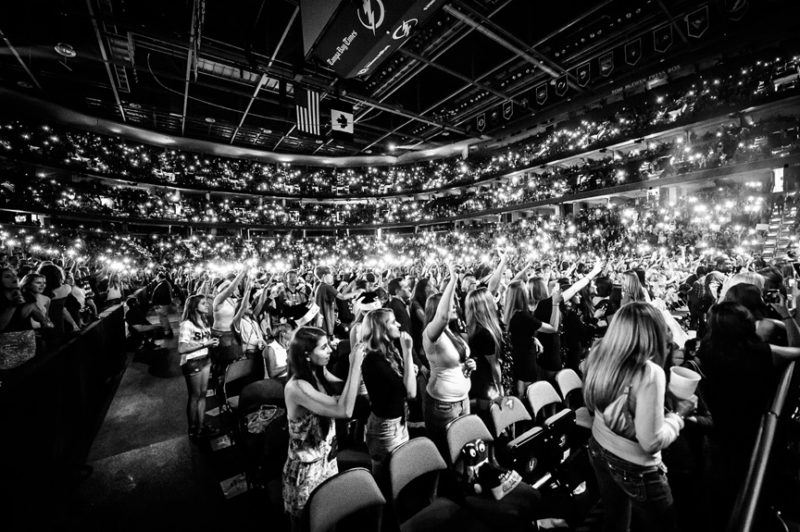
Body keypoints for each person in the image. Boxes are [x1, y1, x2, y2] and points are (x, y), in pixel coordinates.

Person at [583, 302, 697, 532]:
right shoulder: (648, 372)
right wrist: (678, 415)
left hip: (599, 448)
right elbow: (650, 442)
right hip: (635, 465)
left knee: (615, 520)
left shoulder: (598, 353)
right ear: (652, 333)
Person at [697, 300, 800, 527]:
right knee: (749, 485)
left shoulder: (707, 349)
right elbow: (798, 349)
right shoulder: (761, 353)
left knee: (721, 492)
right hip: (751, 428)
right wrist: (786, 316)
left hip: (719, 431)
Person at [282, 327, 366, 529]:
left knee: (331, 519)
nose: (330, 350)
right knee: (309, 525)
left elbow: (349, 392)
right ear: (306, 355)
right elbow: (344, 409)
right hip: (307, 469)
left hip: (327, 460)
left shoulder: (319, 372)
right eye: (323, 347)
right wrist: (354, 364)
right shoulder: (297, 387)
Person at [422, 262, 475, 451]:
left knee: (464, 448)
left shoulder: (452, 333)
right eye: (450, 305)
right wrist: (453, 279)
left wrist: (468, 365)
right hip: (443, 405)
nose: (455, 307)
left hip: (463, 399)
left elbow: (456, 362)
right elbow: (442, 318)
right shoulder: (431, 334)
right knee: (446, 451)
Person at [360, 308, 416, 477]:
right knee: (388, 478)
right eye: (392, 322)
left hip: (398, 422)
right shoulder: (373, 361)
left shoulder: (388, 352)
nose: (398, 324)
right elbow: (411, 392)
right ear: (380, 329)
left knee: (401, 474)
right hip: (385, 428)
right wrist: (408, 353)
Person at [177, 294, 220, 439]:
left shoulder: (204, 320)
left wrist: (212, 342)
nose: (207, 305)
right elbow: (182, 348)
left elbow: (205, 340)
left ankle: (201, 426)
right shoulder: (187, 324)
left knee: (202, 395)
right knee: (194, 396)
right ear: (195, 306)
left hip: (205, 359)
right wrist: (204, 344)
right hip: (193, 362)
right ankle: (192, 428)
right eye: (203, 303)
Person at [504, 280, 555, 396]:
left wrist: (533, 338)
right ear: (522, 295)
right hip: (526, 357)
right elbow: (552, 328)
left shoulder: (509, 313)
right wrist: (556, 304)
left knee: (520, 388)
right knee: (529, 393)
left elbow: (518, 335)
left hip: (516, 356)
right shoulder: (523, 316)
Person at [464, 287, 505, 410]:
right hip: (488, 385)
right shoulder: (484, 334)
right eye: (491, 299)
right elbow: (494, 365)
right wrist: (500, 387)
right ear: (486, 305)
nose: (494, 300)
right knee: (495, 418)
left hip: (481, 383)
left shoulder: (476, 328)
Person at [150, 272, 174, 337]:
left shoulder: (163, 284)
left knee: (163, 318)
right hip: (162, 304)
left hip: (162, 305)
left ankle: (167, 332)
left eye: (157, 277)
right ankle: (167, 330)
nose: (156, 278)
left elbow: (162, 295)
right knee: (163, 318)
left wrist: (157, 304)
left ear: (160, 277)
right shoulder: (163, 283)